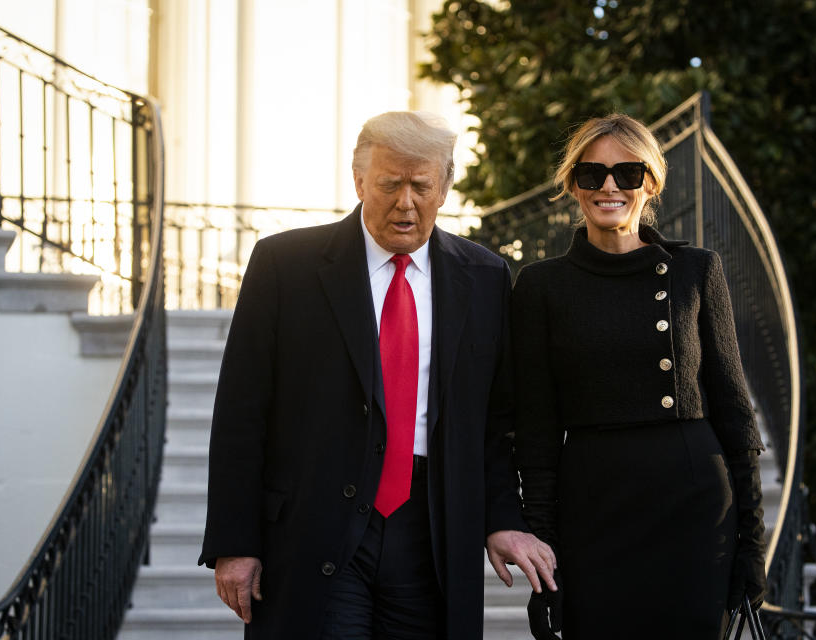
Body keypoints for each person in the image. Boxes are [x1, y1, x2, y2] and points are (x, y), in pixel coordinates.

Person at [199, 111, 556, 640]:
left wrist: (503, 517)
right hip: (314, 526)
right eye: (391, 184)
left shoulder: (485, 277)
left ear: (445, 188)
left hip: (432, 534)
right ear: (359, 180)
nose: (406, 202)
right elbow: (241, 410)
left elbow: (495, 422)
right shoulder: (285, 265)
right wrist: (234, 541)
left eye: (422, 186)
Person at [512, 113, 767, 639]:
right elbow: (536, 438)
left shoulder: (696, 270)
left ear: (650, 183)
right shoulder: (541, 286)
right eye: (592, 174)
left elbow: (735, 414)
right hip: (595, 510)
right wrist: (545, 563)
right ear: (573, 185)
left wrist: (751, 544)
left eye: (628, 173)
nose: (609, 187)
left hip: (693, 508)